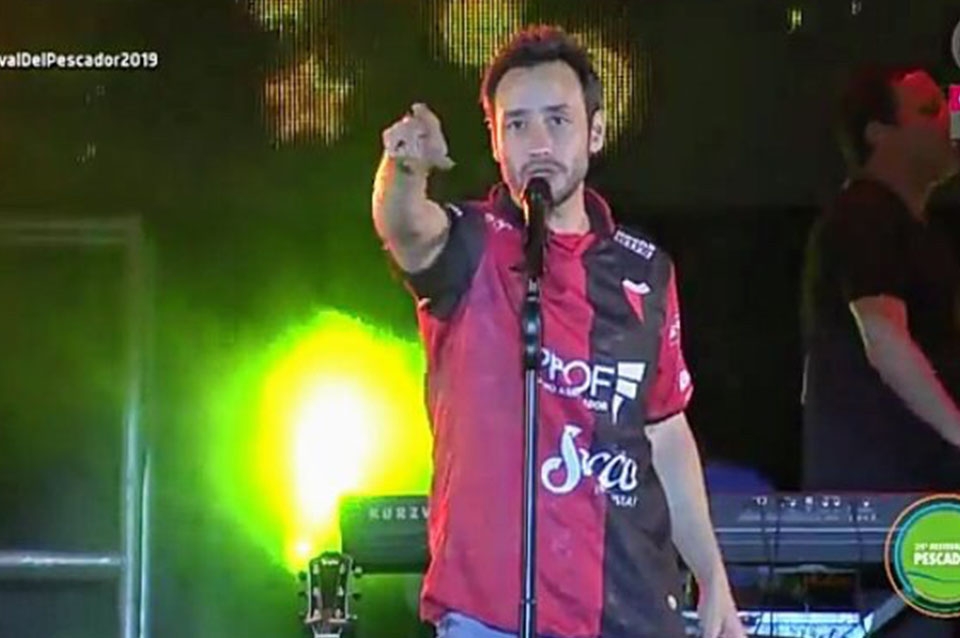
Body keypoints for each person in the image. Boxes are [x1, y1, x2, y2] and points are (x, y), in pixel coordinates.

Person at [371, 25, 745, 638]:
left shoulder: (644, 270)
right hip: (490, 617)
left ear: (594, 132)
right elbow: (405, 226)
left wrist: (712, 575)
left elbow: (665, 430)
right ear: (495, 141)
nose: (539, 142)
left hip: (629, 609)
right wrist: (406, 166)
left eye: (558, 120)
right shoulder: (472, 243)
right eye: (517, 125)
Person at [801, 66, 960, 638]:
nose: (949, 122)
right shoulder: (865, 213)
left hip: (921, 504)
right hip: (888, 509)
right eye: (929, 111)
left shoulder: (921, 236)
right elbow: (884, 336)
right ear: (878, 133)